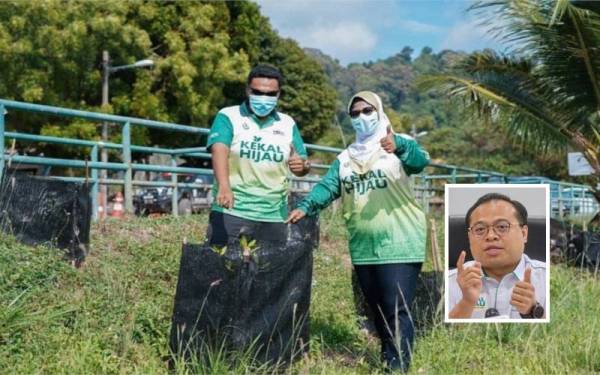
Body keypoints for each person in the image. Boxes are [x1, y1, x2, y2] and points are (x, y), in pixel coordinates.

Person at [287, 91, 430, 372]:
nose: (361, 117)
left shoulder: (398, 145)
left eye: (367, 110)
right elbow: (329, 187)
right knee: (377, 309)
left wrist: (398, 144)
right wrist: (306, 207)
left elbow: (419, 162)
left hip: (400, 239)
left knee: (396, 308)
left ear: (378, 111)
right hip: (364, 244)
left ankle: (397, 367)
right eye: (355, 113)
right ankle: (388, 358)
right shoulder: (345, 158)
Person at [206, 64, 310, 245]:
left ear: (278, 94)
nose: (264, 98)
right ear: (248, 90)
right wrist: (224, 186)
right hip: (232, 210)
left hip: (274, 216)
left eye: (271, 94)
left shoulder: (288, 124)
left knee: (269, 272)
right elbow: (219, 148)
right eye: (258, 92)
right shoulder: (228, 116)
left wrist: (302, 166)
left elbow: (302, 164)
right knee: (222, 270)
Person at [448, 193, 547, 320]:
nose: (490, 236)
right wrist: (466, 302)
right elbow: (442, 336)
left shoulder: (547, 278)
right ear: (469, 237)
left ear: (524, 233)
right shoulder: (451, 282)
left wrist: (534, 310)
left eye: (502, 227)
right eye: (480, 229)